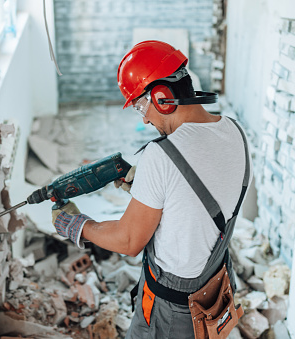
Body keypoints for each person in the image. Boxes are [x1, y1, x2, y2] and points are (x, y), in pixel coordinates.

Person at [52, 40, 251, 338]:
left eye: (141, 106)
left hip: (174, 313)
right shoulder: (234, 130)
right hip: (215, 287)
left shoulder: (161, 155)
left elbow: (129, 240)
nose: (145, 119)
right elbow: (202, 193)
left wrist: (76, 225)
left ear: (162, 97)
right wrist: (146, 186)